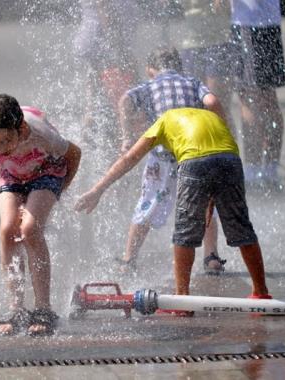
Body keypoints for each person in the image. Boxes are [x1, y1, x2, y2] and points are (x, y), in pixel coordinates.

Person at [75, 107, 271, 303]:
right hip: (231, 161)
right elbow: (217, 156)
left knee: (184, 234)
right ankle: (261, 292)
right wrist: (211, 199)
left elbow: (130, 158)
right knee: (241, 228)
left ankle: (182, 298)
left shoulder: (163, 121)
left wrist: (98, 190)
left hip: (194, 162)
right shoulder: (209, 116)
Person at [0, 94, 81, 336]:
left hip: (47, 172)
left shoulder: (42, 135)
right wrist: (16, 187)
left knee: (30, 229)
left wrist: (58, 191)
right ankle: (16, 309)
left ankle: (44, 308)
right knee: (7, 230)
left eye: (6, 140)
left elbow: (75, 155)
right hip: (13, 175)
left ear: (21, 129)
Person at [117, 46, 227, 277]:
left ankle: (129, 260)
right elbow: (213, 101)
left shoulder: (148, 86)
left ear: (150, 70)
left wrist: (127, 137)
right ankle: (211, 257)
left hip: (163, 158)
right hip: (194, 153)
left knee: (148, 203)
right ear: (179, 67)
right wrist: (220, 131)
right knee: (205, 202)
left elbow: (125, 100)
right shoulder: (193, 82)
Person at [230, 0, 285, 188]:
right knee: (268, 98)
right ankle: (270, 168)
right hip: (268, 22)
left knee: (249, 98)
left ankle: (252, 170)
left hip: (248, 22)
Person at [73, 0, 140, 150]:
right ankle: (108, 142)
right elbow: (102, 4)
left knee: (100, 99)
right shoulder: (109, 38)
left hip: (101, 34)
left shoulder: (118, 46)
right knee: (107, 102)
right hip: (104, 36)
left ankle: (97, 139)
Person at [168, 0, 237, 136]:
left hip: (219, 42)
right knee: (193, 106)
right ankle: (200, 152)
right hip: (190, 44)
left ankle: (230, 154)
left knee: (218, 106)